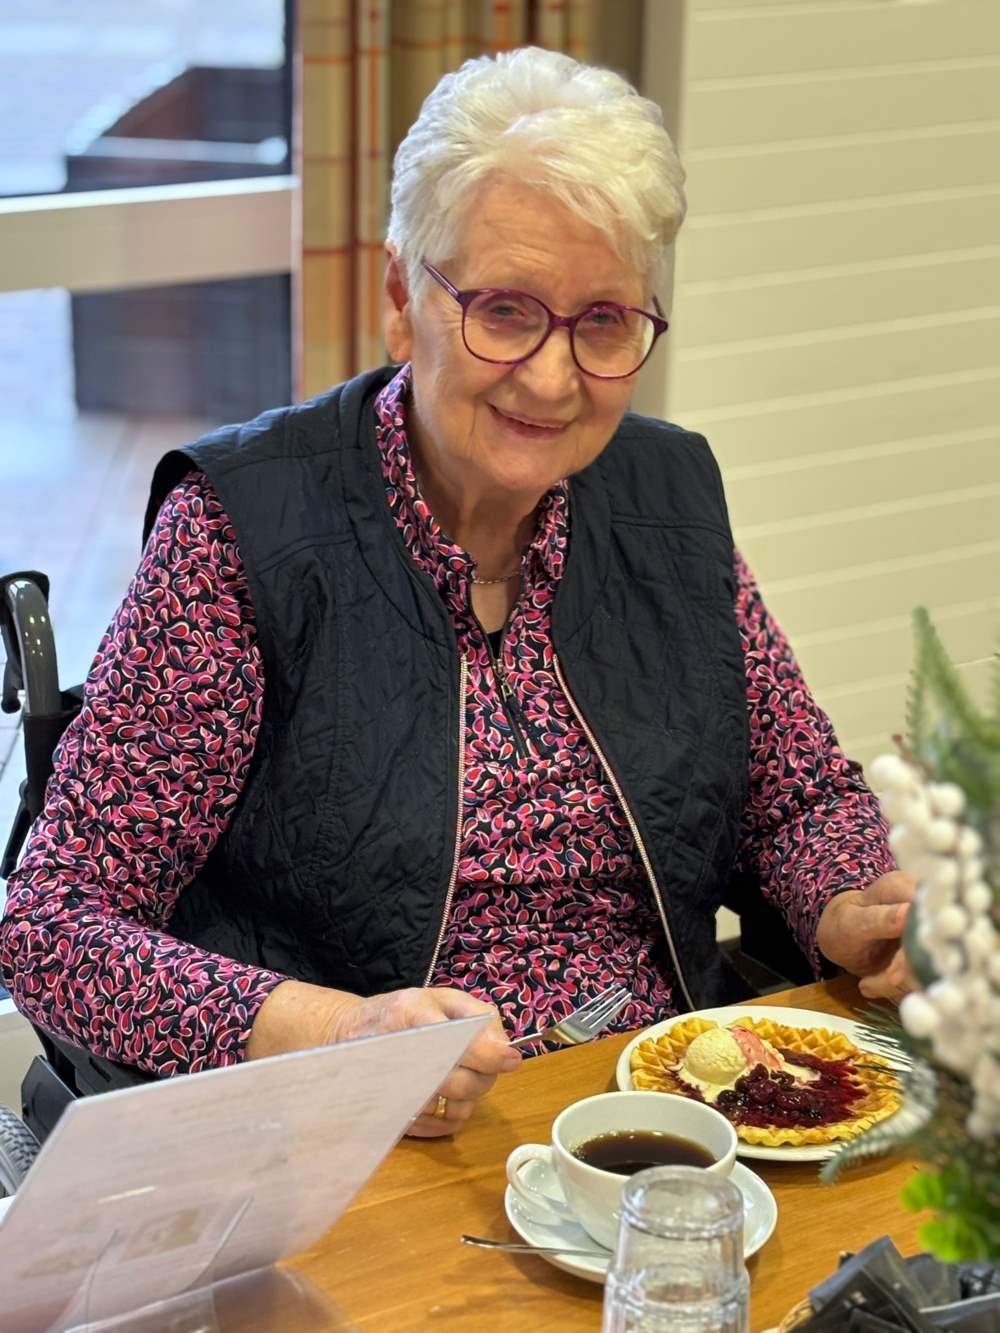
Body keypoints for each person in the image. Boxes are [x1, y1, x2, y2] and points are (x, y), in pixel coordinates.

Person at [0, 48, 914, 1138]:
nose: (551, 376)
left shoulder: (670, 502)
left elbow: (796, 799)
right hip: (360, 1140)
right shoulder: (243, 536)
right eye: (506, 311)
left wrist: (849, 903)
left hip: (664, 1104)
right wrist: (333, 1033)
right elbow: (53, 926)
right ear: (402, 297)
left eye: (605, 321)